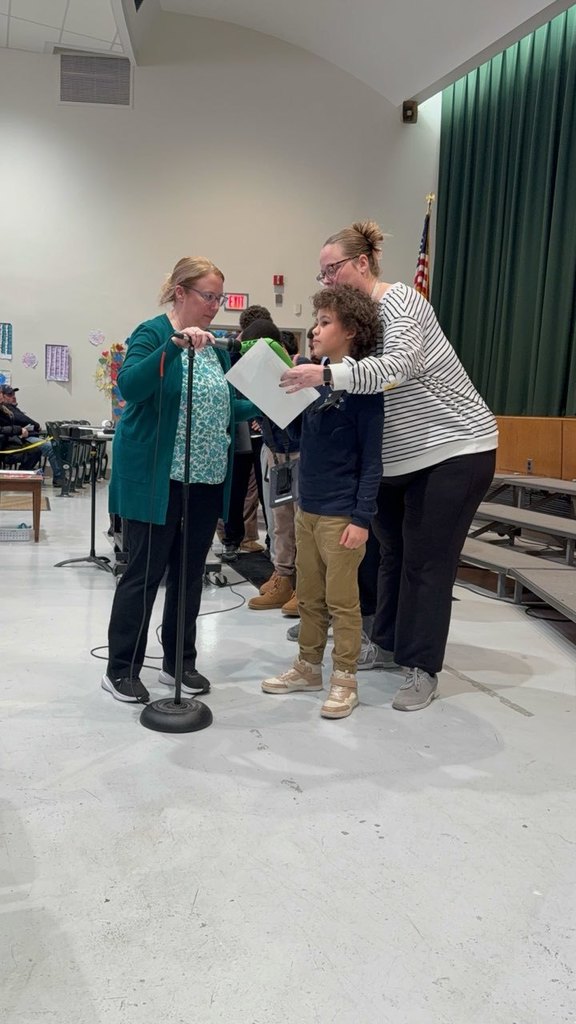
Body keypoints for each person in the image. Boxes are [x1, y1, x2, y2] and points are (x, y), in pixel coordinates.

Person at [279, 220, 498, 712]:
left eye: (332, 269)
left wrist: (327, 372)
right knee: (391, 554)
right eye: (321, 274)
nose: (327, 280)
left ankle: (422, 666)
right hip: (398, 460)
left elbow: (395, 368)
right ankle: (388, 642)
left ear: (362, 262)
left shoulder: (401, 302)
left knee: (426, 561)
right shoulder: (355, 322)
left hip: (454, 448)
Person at [102, 256, 259, 705]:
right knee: (144, 574)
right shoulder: (153, 333)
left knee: (190, 576)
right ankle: (122, 668)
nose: (216, 306)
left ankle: (180, 660)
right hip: (157, 479)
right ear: (180, 293)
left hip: (206, 479)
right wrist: (173, 345)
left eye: (220, 298)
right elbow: (130, 388)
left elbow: (226, 407)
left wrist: (270, 403)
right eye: (209, 297)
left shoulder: (214, 347)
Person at [262, 284, 384, 719]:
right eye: (316, 322)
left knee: (342, 602)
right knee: (310, 595)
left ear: (350, 330)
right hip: (306, 508)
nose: (314, 331)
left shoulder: (364, 390)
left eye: (325, 323)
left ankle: (345, 679)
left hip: (340, 516)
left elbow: (372, 462)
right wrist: (272, 408)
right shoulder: (312, 382)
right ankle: (308, 667)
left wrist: (361, 518)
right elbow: (296, 443)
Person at [244, 319, 300, 613]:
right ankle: (283, 577)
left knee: (300, 525)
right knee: (280, 523)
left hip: (298, 455)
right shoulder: (259, 375)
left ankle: (304, 587)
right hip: (276, 454)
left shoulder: (298, 370)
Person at [0, 385, 64, 483]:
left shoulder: (9, 408)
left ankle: (23, 475)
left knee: (38, 450)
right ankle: (59, 478)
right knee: (49, 447)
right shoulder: (7, 408)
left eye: (13, 394)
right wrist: (34, 426)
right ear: (2, 396)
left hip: (16, 438)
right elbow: (21, 420)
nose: (13, 396)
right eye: (9, 394)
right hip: (11, 441)